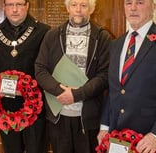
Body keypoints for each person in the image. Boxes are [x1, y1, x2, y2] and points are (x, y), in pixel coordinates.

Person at [97, 0, 156, 153]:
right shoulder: (116, 44)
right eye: (128, 3)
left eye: (140, 2)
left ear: (153, 7)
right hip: (116, 138)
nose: (133, 8)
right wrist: (104, 126)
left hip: (148, 141)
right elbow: (114, 91)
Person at [35, 0, 112, 152]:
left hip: (88, 118)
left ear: (91, 9)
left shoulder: (102, 37)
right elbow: (40, 69)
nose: (78, 10)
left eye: (83, 6)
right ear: (67, 8)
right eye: (74, 5)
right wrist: (59, 90)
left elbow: (104, 75)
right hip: (58, 117)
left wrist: (77, 95)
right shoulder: (52, 35)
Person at [0, 0, 50, 152]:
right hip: (5, 110)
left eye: (19, 4)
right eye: (10, 4)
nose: (15, 9)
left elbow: (51, 70)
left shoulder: (43, 32)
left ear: (27, 6)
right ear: (4, 7)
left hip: (37, 110)